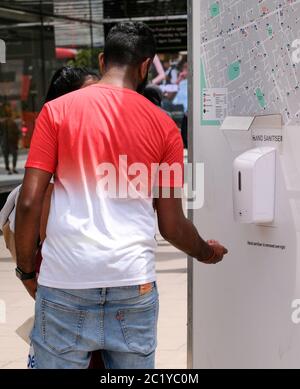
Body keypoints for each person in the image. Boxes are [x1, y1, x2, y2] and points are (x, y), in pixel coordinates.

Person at [15, 22, 228, 369]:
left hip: (66, 282)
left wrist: (26, 271)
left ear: (102, 60)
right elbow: (171, 224)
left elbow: (28, 202)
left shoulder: (56, 112)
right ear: (146, 66)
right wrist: (207, 252)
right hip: (133, 284)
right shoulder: (166, 128)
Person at [1, 103, 20, 174]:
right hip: (10, 141)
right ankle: (12, 168)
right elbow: (17, 133)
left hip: (7, 141)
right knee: (13, 155)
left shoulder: (7, 123)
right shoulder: (12, 122)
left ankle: (9, 168)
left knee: (7, 155)